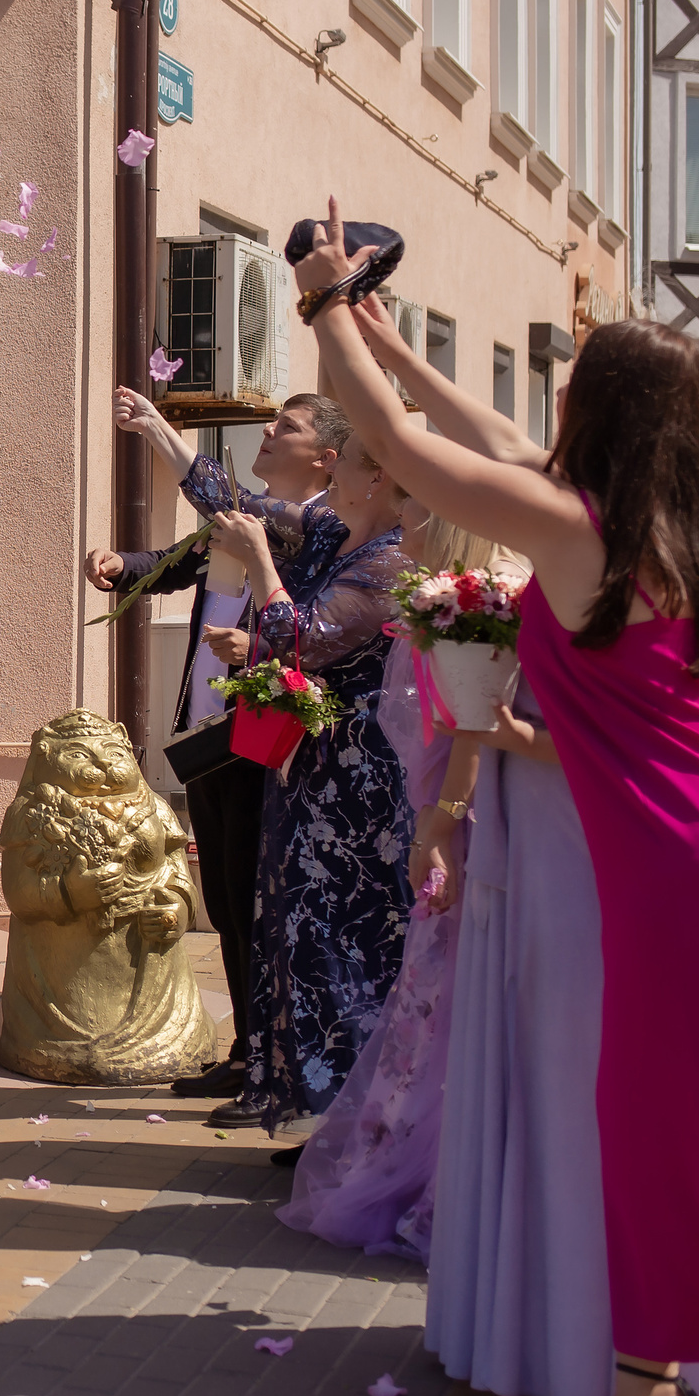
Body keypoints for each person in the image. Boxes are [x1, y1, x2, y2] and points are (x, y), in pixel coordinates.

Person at [305, 203, 699, 1396]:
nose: (553, 408)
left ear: (603, 412)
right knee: (653, 1131)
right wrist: (391, 344)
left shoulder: (576, 533)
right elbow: (479, 434)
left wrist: (317, 298)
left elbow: (403, 450)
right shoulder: (661, 528)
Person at [92, 390, 348, 1114]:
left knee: (256, 903)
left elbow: (225, 508)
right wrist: (123, 563)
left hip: (265, 741)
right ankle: (246, 1053)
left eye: (286, 427)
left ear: (325, 457)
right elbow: (179, 559)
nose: (268, 432)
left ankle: (267, 1057)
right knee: (229, 903)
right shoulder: (247, 515)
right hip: (209, 736)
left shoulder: (318, 526)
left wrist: (156, 430)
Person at [272, 509, 495, 1254]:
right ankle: (404, 1150)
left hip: (449, 825)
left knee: (436, 996)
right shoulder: (436, 598)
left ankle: (425, 1164)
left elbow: (472, 727)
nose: (412, 520)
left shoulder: (469, 601)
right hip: (431, 812)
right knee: (426, 998)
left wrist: (439, 827)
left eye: (431, 510)